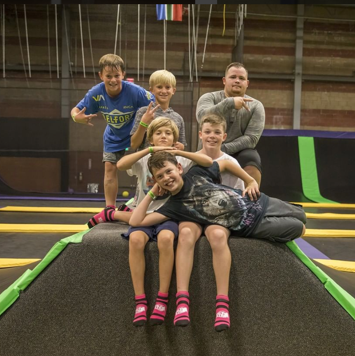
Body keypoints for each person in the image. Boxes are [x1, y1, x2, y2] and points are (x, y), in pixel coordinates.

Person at [129, 151, 307, 332]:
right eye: (160, 177)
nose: (166, 178)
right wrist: (151, 192)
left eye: (169, 171)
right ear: (156, 181)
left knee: (302, 215)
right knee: (299, 228)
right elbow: (136, 221)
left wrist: (250, 180)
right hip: (252, 225)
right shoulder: (173, 207)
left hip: (259, 201)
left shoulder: (196, 173)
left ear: (179, 168)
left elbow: (226, 164)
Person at [117, 117, 213, 327]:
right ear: (151, 138)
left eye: (168, 133)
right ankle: (140, 301)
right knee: (135, 241)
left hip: (167, 215)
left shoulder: (178, 161)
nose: (163, 137)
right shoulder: (144, 160)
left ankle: (162, 297)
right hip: (144, 214)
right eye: (159, 133)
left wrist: (179, 152)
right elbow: (121, 164)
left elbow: (208, 162)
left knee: (167, 238)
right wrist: (147, 151)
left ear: (174, 138)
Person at [175, 113, 245, 331]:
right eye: (208, 132)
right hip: (193, 213)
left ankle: (222, 302)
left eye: (217, 132)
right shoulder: (187, 159)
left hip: (218, 216)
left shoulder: (230, 162)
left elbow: (238, 195)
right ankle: (182, 299)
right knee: (186, 235)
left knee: (216, 236)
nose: (212, 136)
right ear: (200, 134)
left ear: (224, 136)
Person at [70, 54, 154, 225]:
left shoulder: (135, 92)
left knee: (146, 168)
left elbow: (154, 103)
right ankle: (109, 208)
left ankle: (144, 202)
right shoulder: (96, 93)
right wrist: (76, 118)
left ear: (123, 74)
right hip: (113, 138)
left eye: (117, 76)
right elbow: (75, 110)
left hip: (135, 136)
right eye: (108, 76)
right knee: (109, 168)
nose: (113, 80)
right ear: (101, 76)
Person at [196, 62, 265, 186]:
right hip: (209, 147)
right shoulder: (208, 98)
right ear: (224, 80)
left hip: (240, 151)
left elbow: (251, 139)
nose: (237, 81)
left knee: (252, 159)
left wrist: (223, 149)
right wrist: (229, 103)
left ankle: (252, 201)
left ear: (247, 83)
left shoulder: (256, 106)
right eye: (233, 77)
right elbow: (202, 117)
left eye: (241, 78)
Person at [130, 69, 186, 151]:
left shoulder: (178, 118)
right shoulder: (144, 112)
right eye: (159, 87)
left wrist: (181, 147)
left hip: (169, 161)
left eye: (167, 87)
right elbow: (134, 144)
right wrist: (143, 124)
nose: (163, 91)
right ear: (152, 90)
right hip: (146, 161)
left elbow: (181, 145)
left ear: (173, 90)